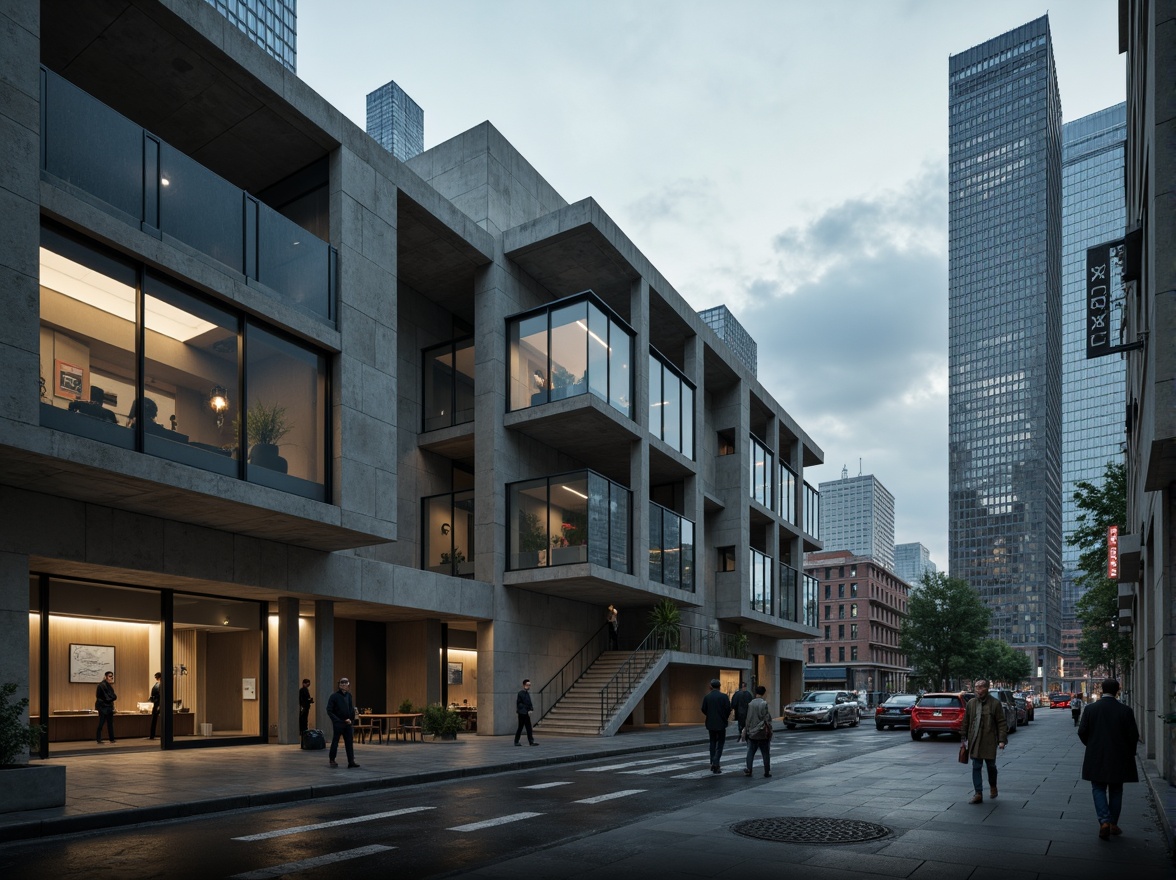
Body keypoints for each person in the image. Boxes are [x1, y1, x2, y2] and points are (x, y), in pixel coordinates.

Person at [1078, 678, 1140, 840]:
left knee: (1098, 788)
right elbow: (1133, 735)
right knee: (1116, 789)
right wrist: (1129, 752)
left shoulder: (1091, 709)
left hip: (1096, 754)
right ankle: (1113, 824)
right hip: (1119, 756)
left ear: (1101, 690)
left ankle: (1104, 821)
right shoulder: (1125, 710)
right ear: (1117, 691)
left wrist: (1091, 745)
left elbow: (1082, 731)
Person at [962, 678, 1008, 803]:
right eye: (976, 687)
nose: (979, 690)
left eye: (981, 687)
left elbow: (1001, 723)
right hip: (975, 740)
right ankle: (978, 793)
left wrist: (1002, 740)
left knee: (991, 766)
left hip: (989, 740)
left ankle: (993, 786)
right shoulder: (971, 703)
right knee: (976, 766)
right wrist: (963, 738)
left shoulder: (995, 703)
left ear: (987, 688)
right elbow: (966, 722)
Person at [325, 677, 360, 768]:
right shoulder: (334, 696)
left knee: (349, 742)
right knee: (335, 741)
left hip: (348, 723)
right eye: (342, 683)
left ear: (348, 685)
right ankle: (332, 759)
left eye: (345, 683)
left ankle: (351, 761)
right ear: (339, 684)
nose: (344, 684)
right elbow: (329, 710)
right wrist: (337, 720)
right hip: (339, 723)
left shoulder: (349, 695)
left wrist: (351, 720)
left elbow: (350, 708)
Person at [701, 678, 732, 773]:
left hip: (710, 723)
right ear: (719, 686)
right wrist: (724, 717)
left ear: (711, 686)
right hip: (721, 723)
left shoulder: (707, 697)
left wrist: (710, 715)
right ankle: (716, 762)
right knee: (720, 744)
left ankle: (713, 762)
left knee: (712, 743)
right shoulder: (724, 697)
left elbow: (703, 709)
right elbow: (728, 709)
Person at [742, 685, 773, 778]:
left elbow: (748, 719)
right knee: (765, 752)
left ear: (756, 693)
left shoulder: (750, 704)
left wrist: (746, 729)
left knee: (750, 751)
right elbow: (766, 718)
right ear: (764, 693)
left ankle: (749, 769)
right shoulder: (764, 703)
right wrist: (770, 729)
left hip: (752, 732)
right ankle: (766, 771)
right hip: (762, 731)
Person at [95, 671, 117, 744]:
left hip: (108, 706)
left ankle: (111, 738)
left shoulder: (108, 685)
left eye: (112, 676)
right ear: (106, 676)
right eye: (110, 676)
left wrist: (112, 699)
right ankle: (99, 739)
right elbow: (108, 697)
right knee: (101, 723)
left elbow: (112, 696)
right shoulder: (102, 685)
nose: (111, 678)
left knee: (110, 723)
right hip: (103, 707)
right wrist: (112, 698)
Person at [514, 679, 538, 746]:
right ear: (524, 685)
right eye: (527, 685)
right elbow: (519, 703)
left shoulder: (527, 694)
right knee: (520, 727)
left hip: (526, 713)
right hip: (522, 713)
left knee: (528, 728)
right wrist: (527, 709)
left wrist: (531, 709)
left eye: (529, 685)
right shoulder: (520, 693)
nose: (529, 686)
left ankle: (531, 741)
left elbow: (529, 703)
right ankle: (516, 741)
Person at [147, 672, 162, 740]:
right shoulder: (160, 685)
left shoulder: (156, 685)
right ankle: (152, 734)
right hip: (158, 703)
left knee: (154, 720)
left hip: (156, 703)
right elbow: (160, 696)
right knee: (156, 719)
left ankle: (152, 735)